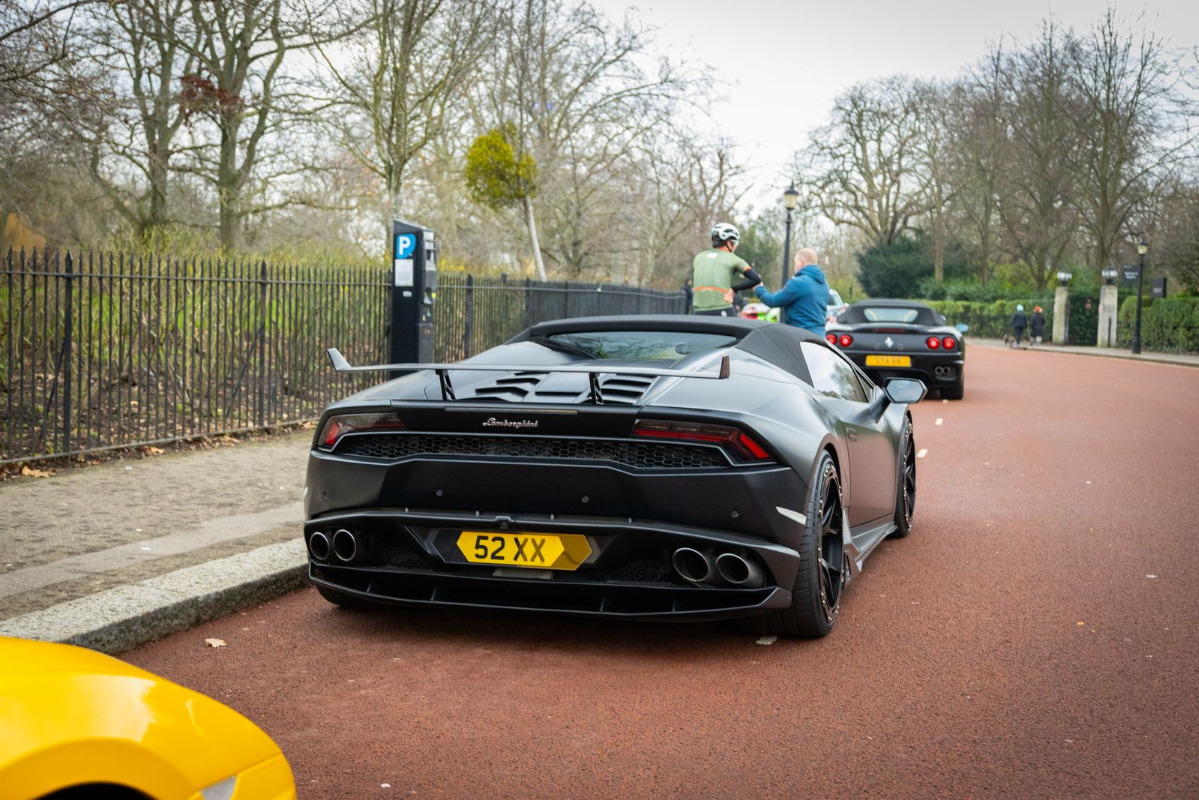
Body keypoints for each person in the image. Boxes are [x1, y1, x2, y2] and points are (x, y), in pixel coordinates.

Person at [753, 247, 830, 336]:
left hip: (801, 336)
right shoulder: (824, 284)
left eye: (795, 262)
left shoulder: (798, 283)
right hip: (820, 337)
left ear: (801, 262)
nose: (795, 265)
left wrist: (758, 288)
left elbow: (772, 301)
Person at [691, 223, 762, 316]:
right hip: (722, 309)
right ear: (729, 243)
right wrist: (733, 289)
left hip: (697, 312)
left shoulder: (698, 257)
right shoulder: (732, 258)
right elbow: (756, 279)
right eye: (735, 243)